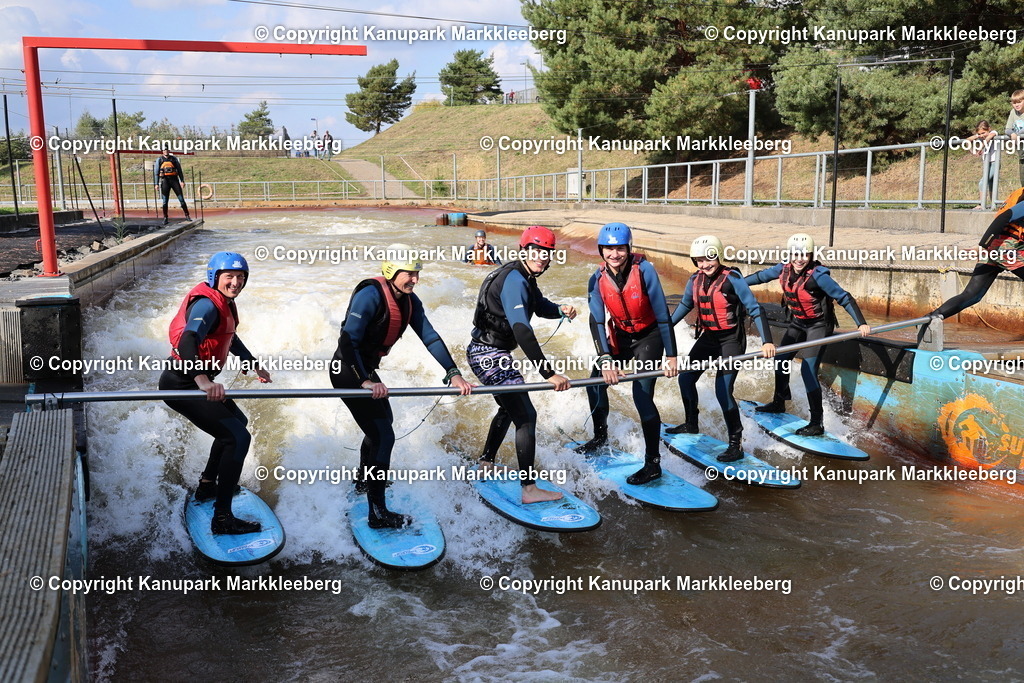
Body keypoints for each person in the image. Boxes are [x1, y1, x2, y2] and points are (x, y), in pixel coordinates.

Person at [330, 244, 473, 529]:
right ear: (391, 271)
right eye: (410, 273)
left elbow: (430, 337)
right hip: (346, 370)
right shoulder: (369, 295)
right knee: (383, 435)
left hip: (365, 371)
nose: (415, 279)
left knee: (382, 427)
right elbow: (347, 342)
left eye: (418, 273)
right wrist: (365, 380)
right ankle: (378, 512)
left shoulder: (410, 301)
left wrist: (453, 373)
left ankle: (363, 480)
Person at [160, 252, 271, 534]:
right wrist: (202, 380)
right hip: (182, 383)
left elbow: (229, 336)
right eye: (229, 277)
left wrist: (252, 363)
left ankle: (208, 486)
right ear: (215, 278)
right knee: (238, 437)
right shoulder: (207, 305)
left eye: (240, 278)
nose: (235, 283)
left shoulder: (225, 303)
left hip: (195, 381)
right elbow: (189, 339)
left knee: (237, 427)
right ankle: (222, 519)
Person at [467, 226, 576, 503]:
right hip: (488, 354)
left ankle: (486, 462)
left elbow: (540, 306)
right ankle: (529, 489)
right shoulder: (515, 280)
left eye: (546, 253)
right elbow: (522, 330)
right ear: (523, 250)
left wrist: (560, 309)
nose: (541, 257)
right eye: (535, 251)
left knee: (509, 406)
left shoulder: (525, 276)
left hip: (490, 351)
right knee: (526, 415)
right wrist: (548, 373)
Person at [574, 222, 679, 485]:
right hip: (620, 335)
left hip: (649, 336)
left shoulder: (644, 271)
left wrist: (671, 354)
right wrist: (606, 359)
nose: (614, 254)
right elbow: (596, 321)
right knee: (595, 382)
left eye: (619, 248)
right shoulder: (596, 279)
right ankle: (600, 438)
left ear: (628, 248)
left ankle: (653, 464)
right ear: (601, 250)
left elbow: (664, 315)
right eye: (608, 249)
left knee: (641, 395)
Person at [744, 233, 870, 436]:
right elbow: (760, 276)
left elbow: (844, 297)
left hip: (818, 326)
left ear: (811, 255)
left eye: (804, 254)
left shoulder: (819, 276)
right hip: (798, 323)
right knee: (781, 359)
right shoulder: (783, 268)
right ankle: (779, 402)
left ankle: (816, 423)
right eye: (795, 254)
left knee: (807, 370)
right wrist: (738, 284)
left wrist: (861, 323)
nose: (799, 258)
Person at [667, 235, 776, 462]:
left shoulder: (733, 278)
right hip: (709, 338)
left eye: (709, 259)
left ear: (718, 256)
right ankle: (691, 423)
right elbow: (686, 304)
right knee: (685, 378)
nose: (705, 265)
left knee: (722, 390)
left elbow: (755, 309)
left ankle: (735, 444)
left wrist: (766, 341)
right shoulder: (694, 279)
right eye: (699, 260)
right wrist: (664, 328)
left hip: (731, 341)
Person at [921, 188, 1024, 333]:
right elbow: (1005, 216)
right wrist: (982, 245)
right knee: (971, 294)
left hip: (996, 246)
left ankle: (928, 321)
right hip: (1007, 248)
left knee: (972, 295)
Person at [965, 121, 999, 209]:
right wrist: (972, 151)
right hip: (987, 163)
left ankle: (982, 204)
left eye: (984, 132)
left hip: (995, 162)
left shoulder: (993, 133)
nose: (982, 135)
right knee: (990, 182)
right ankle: (993, 204)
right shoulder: (980, 136)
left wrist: (981, 147)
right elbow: (967, 140)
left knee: (982, 182)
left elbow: (989, 138)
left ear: (989, 129)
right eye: (980, 133)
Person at [153, 147, 191, 225]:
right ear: (162, 151)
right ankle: (165, 218)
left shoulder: (174, 159)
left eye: (166, 150)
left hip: (174, 181)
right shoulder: (159, 160)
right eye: (164, 150)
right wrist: (156, 184)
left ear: (169, 151)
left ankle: (187, 215)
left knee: (181, 199)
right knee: (165, 201)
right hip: (165, 181)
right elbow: (156, 173)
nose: (165, 151)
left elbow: (179, 170)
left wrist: (182, 181)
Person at [1006, 90, 1024, 186]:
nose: (1016, 105)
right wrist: (1012, 134)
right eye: (1014, 103)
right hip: (1022, 154)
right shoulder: (1013, 113)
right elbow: (1007, 129)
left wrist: (1017, 134)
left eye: (1019, 102)